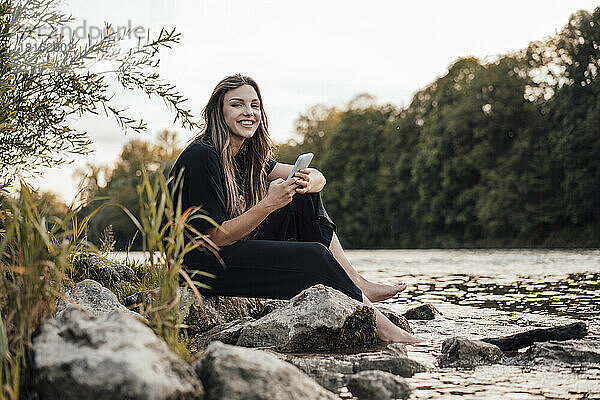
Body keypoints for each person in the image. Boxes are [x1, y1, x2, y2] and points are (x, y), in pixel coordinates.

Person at [169, 73, 420, 343]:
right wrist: (267, 205)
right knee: (314, 257)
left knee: (302, 194)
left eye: (255, 105)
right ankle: (389, 333)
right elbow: (214, 238)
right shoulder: (203, 156)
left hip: (226, 251)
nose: (248, 112)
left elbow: (318, 178)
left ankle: (354, 280)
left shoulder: (243, 156)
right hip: (200, 266)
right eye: (237, 104)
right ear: (219, 111)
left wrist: (307, 181)